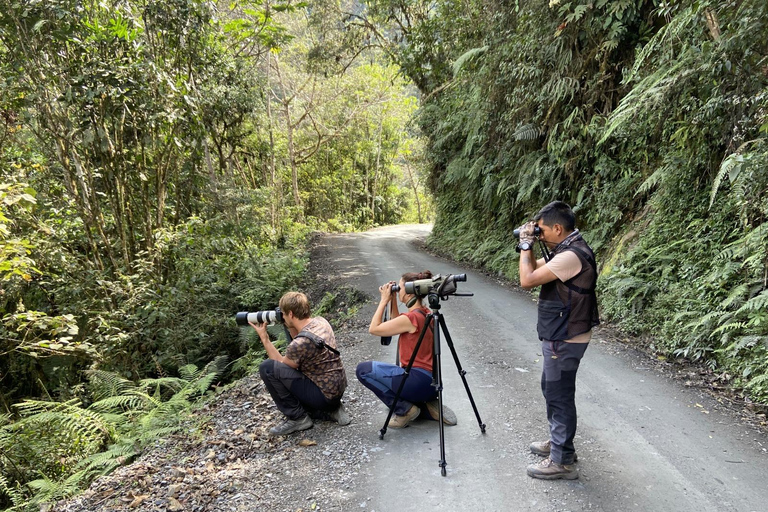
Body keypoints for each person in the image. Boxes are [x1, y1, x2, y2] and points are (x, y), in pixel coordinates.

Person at [516, 201, 599, 480]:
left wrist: (526, 244)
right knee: (553, 390)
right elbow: (532, 270)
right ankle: (560, 443)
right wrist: (528, 244)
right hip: (563, 333)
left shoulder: (570, 256)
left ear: (558, 228)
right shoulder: (564, 250)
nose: (537, 233)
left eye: (540, 229)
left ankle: (562, 461)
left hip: (566, 337)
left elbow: (527, 280)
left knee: (559, 395)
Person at [356, 271, 457, 429]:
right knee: (394, 382)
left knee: (363, 370)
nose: (398, 289)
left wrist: (383, 301)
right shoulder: (426, 313)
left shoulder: (411, 319)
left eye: (400, 287)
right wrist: (393, 300)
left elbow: (374, 329)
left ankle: (405, 410)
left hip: (415, 382)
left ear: (410, 292)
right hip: (431, 384)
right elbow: (398, 323)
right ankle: (426, 410)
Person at [250, 291, 350, 435]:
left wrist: (264, 338)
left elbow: (279, 365)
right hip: (337, 389)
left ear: (290, 314)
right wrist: (290, 325)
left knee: (267, 368)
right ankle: (332, 410)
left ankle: (298, 418)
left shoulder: (299, 344)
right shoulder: (321, 321)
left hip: (323, 396)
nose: (281, 317)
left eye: (283, 314)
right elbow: (300, 339)